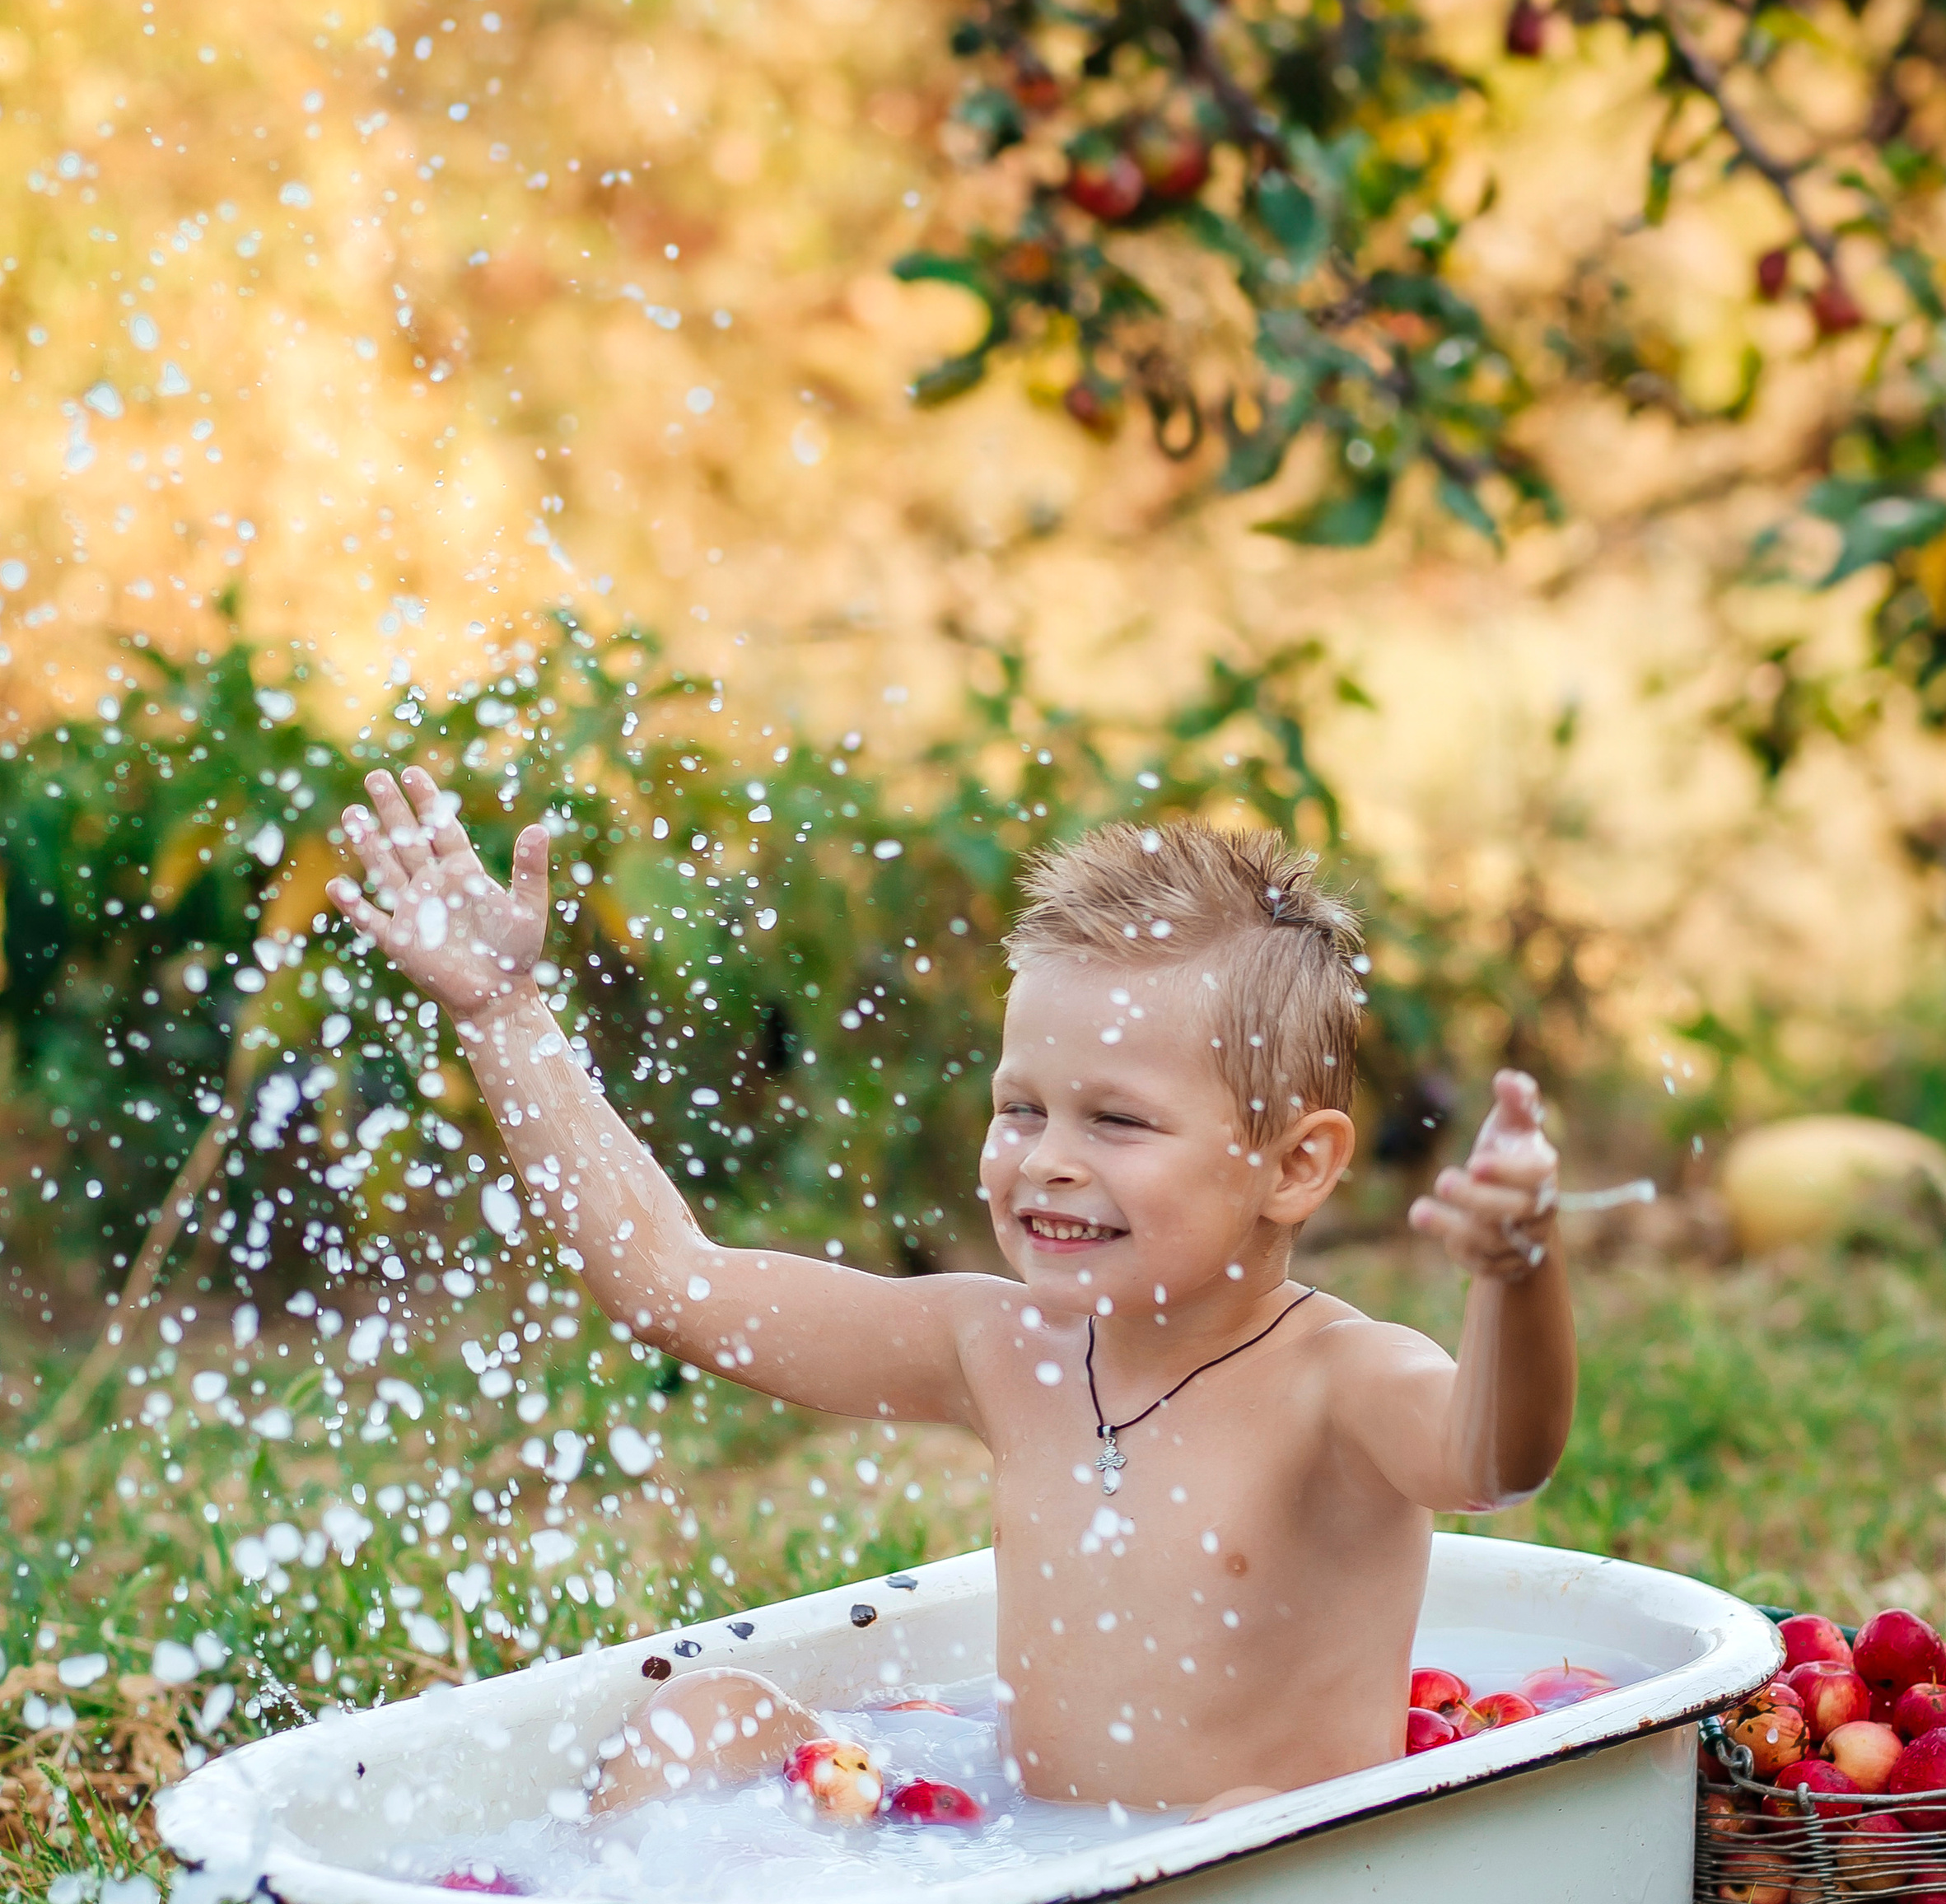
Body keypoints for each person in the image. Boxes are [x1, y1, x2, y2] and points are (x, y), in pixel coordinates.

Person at [329, 772, 1575, 1818]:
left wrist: (1518, 1279)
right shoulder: (1007, 1347)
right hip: (1020, 1848)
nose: (1047, 1159)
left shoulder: (1336, 1382)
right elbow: (681, 1289)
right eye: (1021, 1106)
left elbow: (1497, 1455)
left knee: (1238, 1829)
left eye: (1119, 1121)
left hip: (1238, 1887)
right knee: (699, 1711)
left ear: (1295, 1164)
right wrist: (504, 1017)